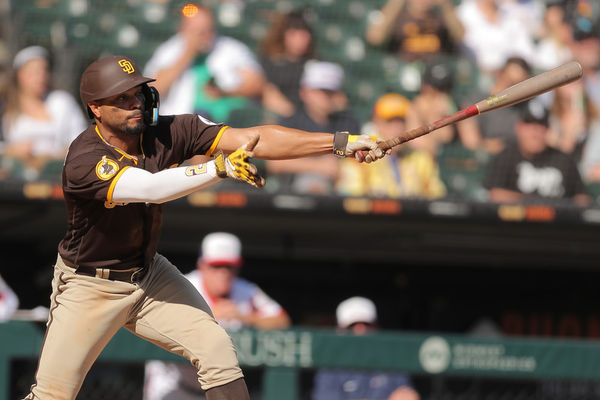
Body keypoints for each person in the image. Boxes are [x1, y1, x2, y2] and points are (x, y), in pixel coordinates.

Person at [21, 54, 383, 400]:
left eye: (137, 93)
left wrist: (340, 142)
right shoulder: (84, 158)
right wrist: (217, 169)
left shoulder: (170, 130)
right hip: (90, 284)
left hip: (147, 275)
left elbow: (254, 139)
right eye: (121, 98)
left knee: (217, 350)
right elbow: (150, 188)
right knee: (53, 394)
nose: (135, 103)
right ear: (96, 109)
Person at [144, 232, 290, 400]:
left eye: (229, 267)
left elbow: (282, 320)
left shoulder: (247, 293)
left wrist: (246, 317)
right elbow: (154, 320)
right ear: (202, 265)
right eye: (216, 266)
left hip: (217, 389)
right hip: (173, 385)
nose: (223, 273)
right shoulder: (184, 285)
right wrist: (207, 315)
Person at [143, 3, 265, 120]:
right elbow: (153, 89)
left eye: (208, 30)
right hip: (180, 123)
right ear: (183, 29)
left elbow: (257, 85)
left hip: (226, 123)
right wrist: (188, 53)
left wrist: (224, 92)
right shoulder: (169, 51)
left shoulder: (230, 49)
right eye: (198, 31)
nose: (204, 36)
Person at [266, 60, 361, 194]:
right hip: (294, 190)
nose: (325, 97)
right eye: (320, 90)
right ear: (304, 92)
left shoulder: (347, 123)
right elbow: (275, 164)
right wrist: (317, 166)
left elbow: (353, 159)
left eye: (330, 91)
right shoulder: (291, 123)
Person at [336, 93, 446, 199]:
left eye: (401, 121)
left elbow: (437, 197)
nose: (397, 128)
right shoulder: (360, 157)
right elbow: (352, 201)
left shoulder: (422, 159)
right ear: (377, 123)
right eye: (390, 122)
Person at [1, 45, 87, 179]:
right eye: (33, 72)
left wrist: (53, 156)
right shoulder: (5, 107)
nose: (40, 77)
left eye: (44, 71)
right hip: (14, 178)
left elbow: (81, 141)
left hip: (57, 176)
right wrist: (10, 151)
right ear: (19, 75)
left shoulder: (62, 101)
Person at [483, 99, 590, 206]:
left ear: (548, 129)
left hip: (558, 222)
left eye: (540, 126)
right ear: (518, 127)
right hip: (515, 221)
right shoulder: (506, 157)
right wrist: (538, 203)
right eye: (530, 125)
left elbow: (582, 199)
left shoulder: (564, 160)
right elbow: (496, 195)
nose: (535, 133)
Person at [312, 296, 420, 400]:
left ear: (376, 327)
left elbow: (407, 396)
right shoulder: (330, 367)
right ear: (340, 330)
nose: (360, 330)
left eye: (366, 324)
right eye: (352, 326)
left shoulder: (392, 361)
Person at [457, 56, 532, 154]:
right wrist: (491, 145)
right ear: (499, 75)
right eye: (510, 81)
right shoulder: (475, 101)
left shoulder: (525, 107)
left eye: (518, 85)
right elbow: (471, 143)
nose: (513, 89)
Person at [259, 9, 316, 118]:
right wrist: (294, 117)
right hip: (279, 118)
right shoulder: (269, 62)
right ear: (284, 35)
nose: (300, 40)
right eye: (294, 34)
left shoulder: (316, 65)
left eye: (304, 35)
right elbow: (269, 95)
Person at [366, 0, 464, 62]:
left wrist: (446, 5)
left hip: (434, 72)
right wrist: (395, 4)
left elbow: (461, 36)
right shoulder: (399, 17)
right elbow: (375, 38)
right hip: (403, 70)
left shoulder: (439, 18)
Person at [456, 0, 537, 75]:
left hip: (515, 73)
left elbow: (526, 51)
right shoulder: (463, 13)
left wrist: (513, 68)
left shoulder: (510, 12)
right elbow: (468, 51)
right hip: (482, 75)